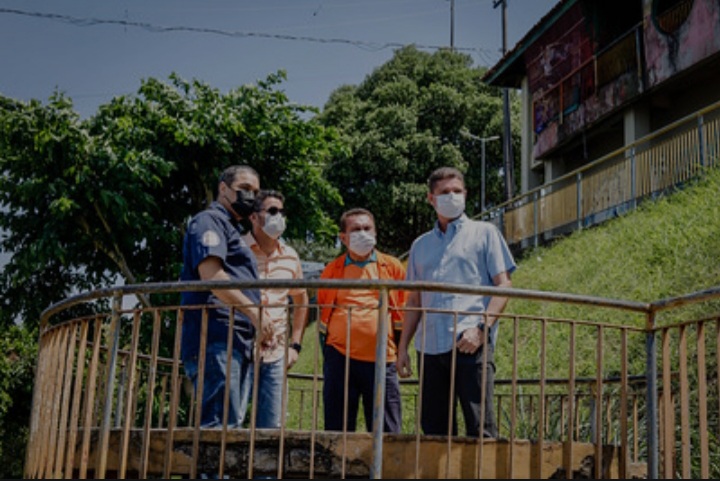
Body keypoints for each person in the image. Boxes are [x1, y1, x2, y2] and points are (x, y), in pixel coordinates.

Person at [396, 166, 516, 438]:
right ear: (431, 198)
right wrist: (403, 347)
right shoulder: (420, 245)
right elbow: (414, 299)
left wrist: (482, 329)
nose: (452, 196)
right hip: (429, 346)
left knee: (480, 427)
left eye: (457, 191)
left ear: (465, 194)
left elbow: (504, 284)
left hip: (469, 341)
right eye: (445, 192)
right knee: (434, 431)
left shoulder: (485, 233)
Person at [180, 164, 272, 428]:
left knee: (229, 429)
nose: (250, 196)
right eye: (244, 188)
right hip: (216, 336)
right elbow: (213, 277)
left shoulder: (232, 230)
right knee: (219, 429)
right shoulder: (209, 221)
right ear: (223, 188)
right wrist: (255, 313)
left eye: (255, 191)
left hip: (235, 339)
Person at [317, 208, 406, 433]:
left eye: (367, 228)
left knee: (386, 432)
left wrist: (402, 348)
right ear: (343, 238)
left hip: (383, 358)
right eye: (356, 229)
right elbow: (323, 311)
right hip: (339, 358)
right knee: (337, 430)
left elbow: (403, 309)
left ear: (375, 232)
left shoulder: (392, 267)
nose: (363, 233)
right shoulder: (331, 270)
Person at [243, 189, 308, 429]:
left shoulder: (290, 256)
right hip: (239, 349)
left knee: (271, 428)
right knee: (231, 422)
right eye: (272, 211)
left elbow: (301, 300)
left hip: (276, 353)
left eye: (281, 211)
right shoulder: (237, 250)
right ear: (253, 217)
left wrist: (295, 345)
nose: (278, 217)